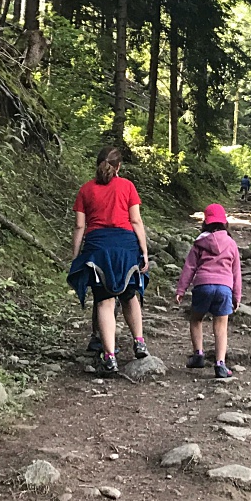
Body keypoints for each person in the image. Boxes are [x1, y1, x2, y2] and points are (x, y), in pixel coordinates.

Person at [67, 146, 151, 373]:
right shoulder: (128, 187)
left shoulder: (86, 190)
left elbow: (79, 226)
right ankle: (139, 342)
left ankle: (110, 356)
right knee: (129, 295)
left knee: (104, 300)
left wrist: (76, 256)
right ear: (119, 167)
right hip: (125, 246)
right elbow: (136, 221)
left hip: (98, 248)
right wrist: (143, 251)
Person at [173, 203, 243, 379]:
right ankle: (220, 364)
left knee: (196, 319)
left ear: (206, 222)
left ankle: (198, 355)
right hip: (224, 288)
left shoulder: (199, 242)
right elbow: (236, 272)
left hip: (203, 285)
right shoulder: (231, 243)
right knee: (221, 325)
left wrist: (181, 289)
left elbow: (189, 267)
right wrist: (237, 296)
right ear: (224, 223)